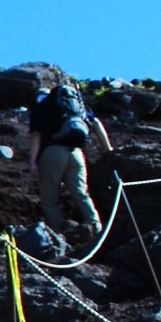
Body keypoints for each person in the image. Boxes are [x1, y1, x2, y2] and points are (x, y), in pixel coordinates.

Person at [28, 83, 112, 243]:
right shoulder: (74, 107)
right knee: (80, 192)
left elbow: (36, 136)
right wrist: (108, 150)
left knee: (49, 200)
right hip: (76, 153)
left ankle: (63, 238)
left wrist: (32, 162)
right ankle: (96, 228)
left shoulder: (41, 108)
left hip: (52, 152)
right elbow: (97, 124)